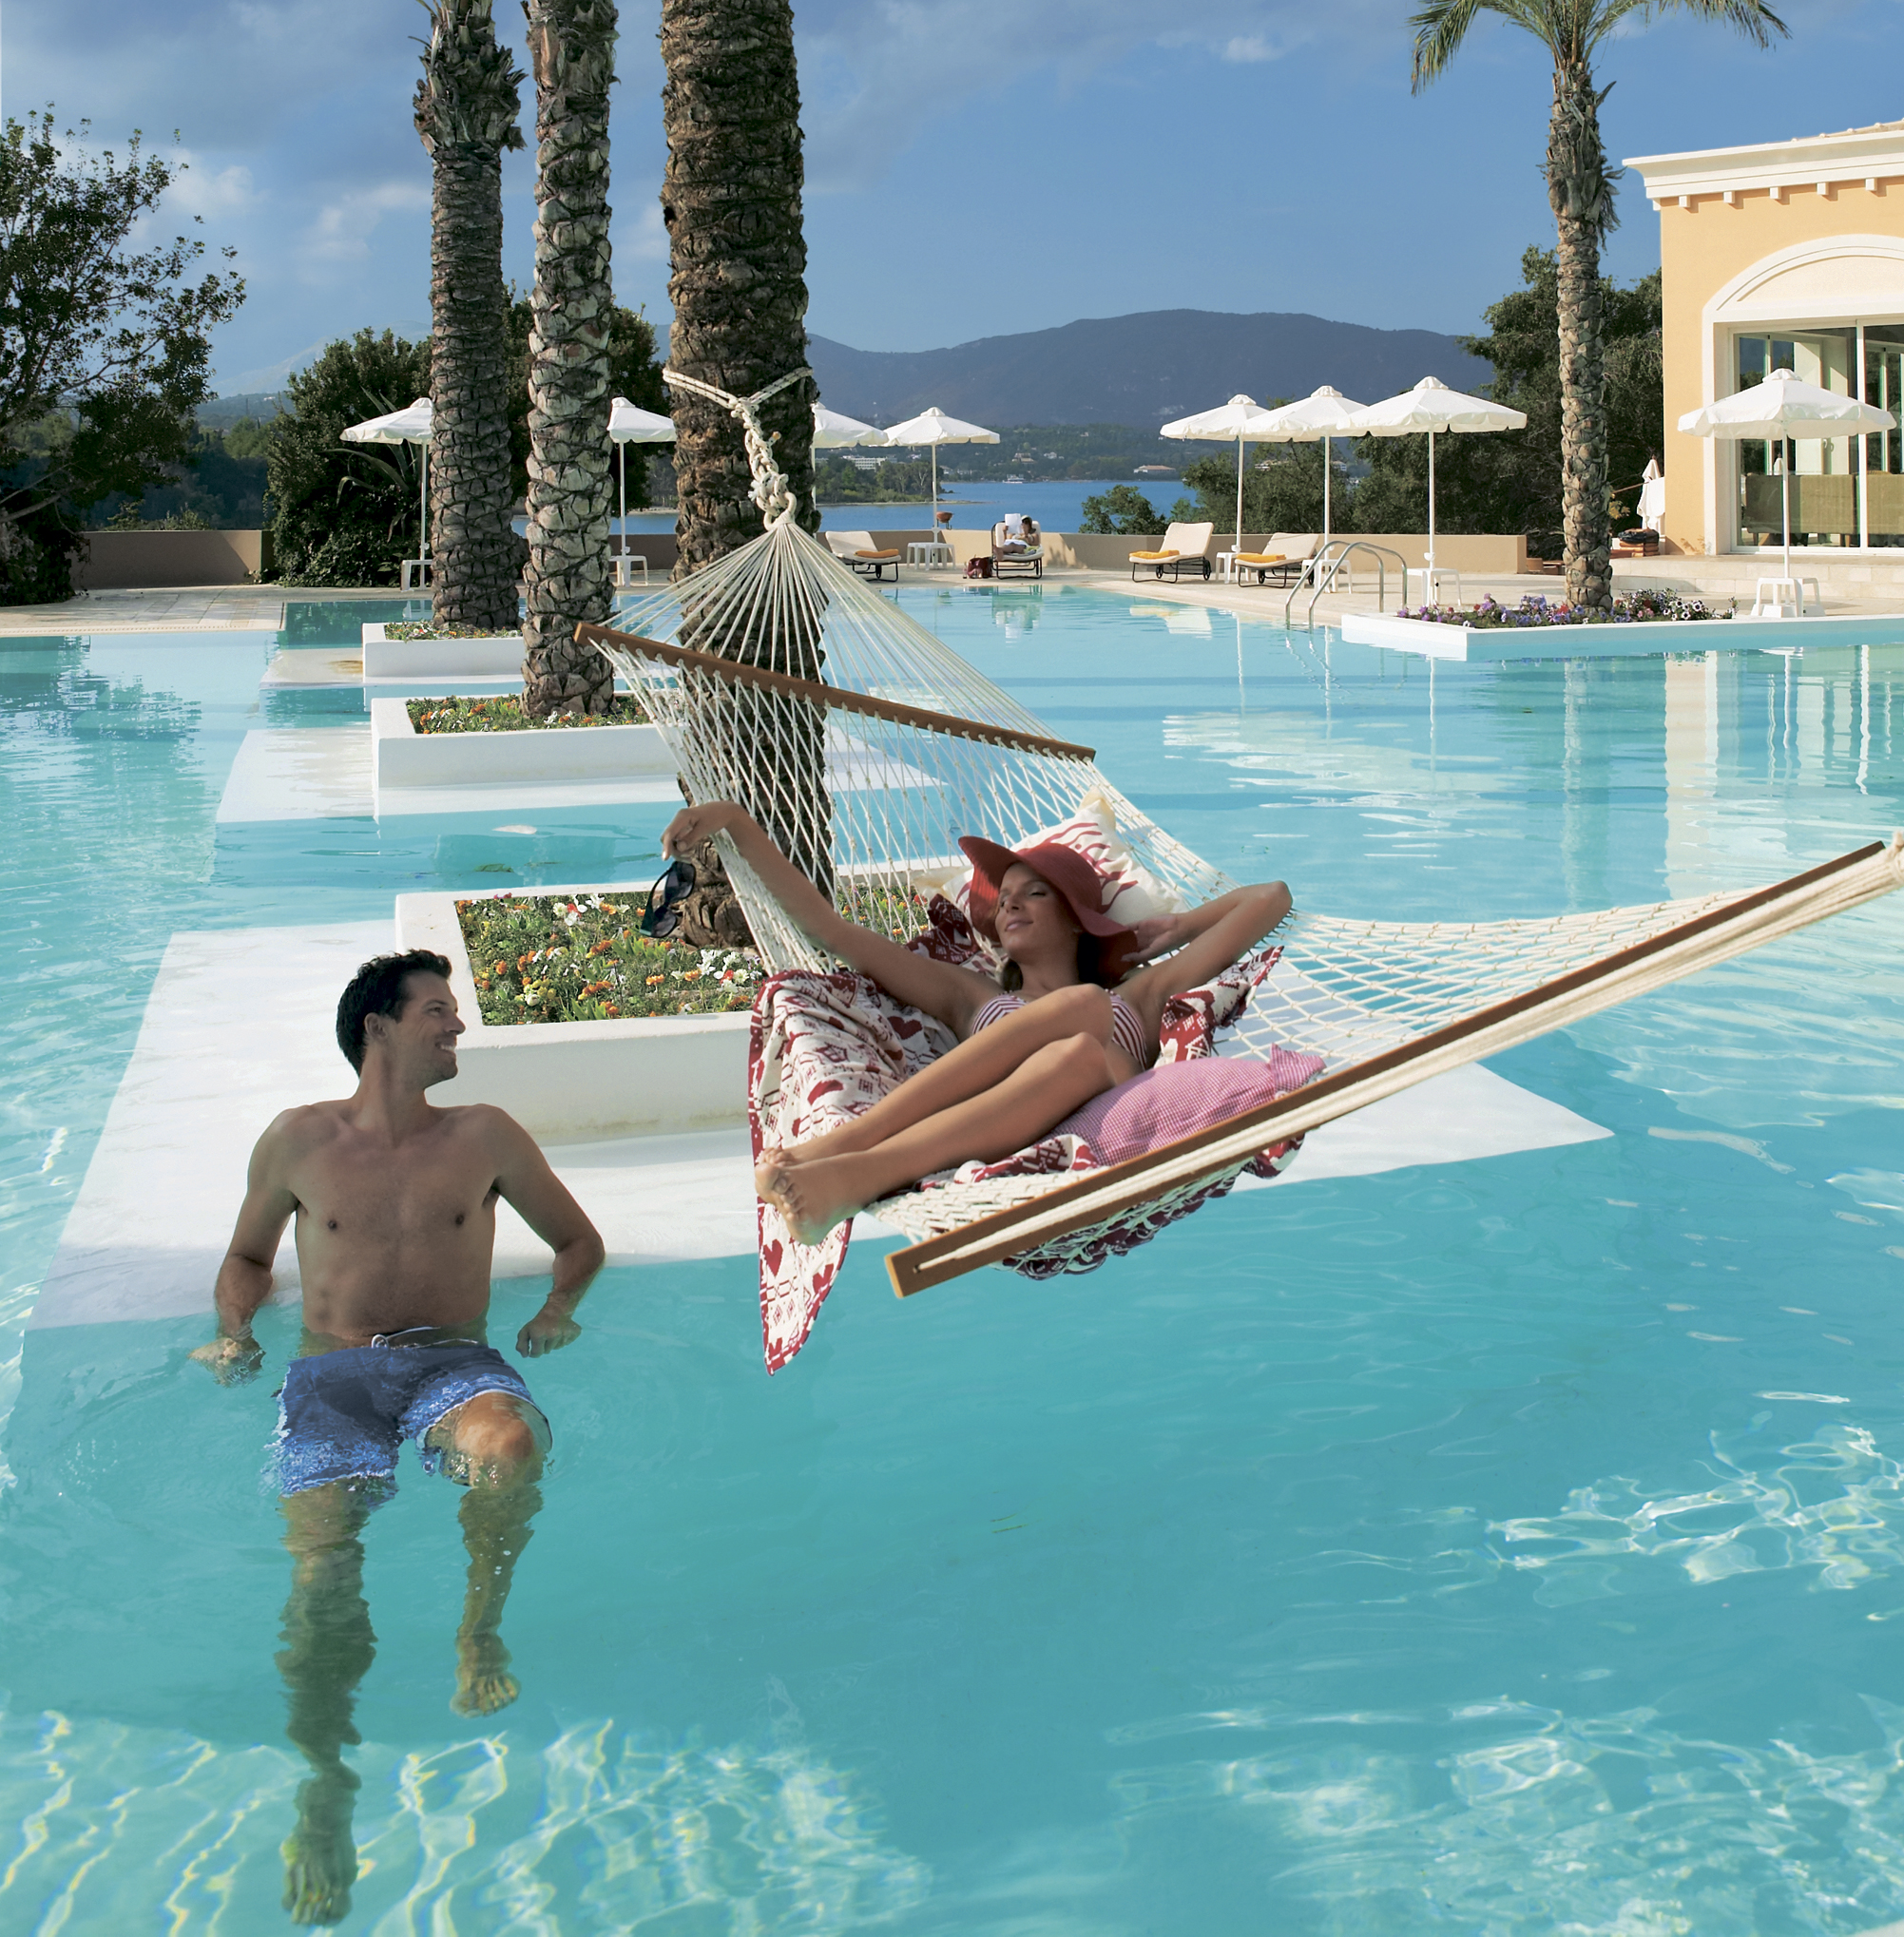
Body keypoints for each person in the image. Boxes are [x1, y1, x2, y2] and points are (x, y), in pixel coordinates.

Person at [189, 948, 606, 1927]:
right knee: (322, 1575)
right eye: (436, 1012)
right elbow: (246, 1254)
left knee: (511, 1450)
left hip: (453, 1364)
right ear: (377, 1027)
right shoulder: (298, 1139)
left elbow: (578, 1240)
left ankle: (477, 1627)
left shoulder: (485, 1134)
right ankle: (324, 1780)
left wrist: (557, 1310)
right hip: (334, 1377)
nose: (457, 1026)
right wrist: (234, 1331)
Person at [664, 799, 1291, 1245]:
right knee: (1075, 1037)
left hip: (1099, 1116)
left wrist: (1178, 928)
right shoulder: (969, 996)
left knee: (1085, 1023)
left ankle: (855, 1161)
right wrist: (735, 822)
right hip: (997, 1125)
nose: (1011, 903)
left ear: (1077, 919)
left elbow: (1271, 898)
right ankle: (847, 1161)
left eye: (1035, 892)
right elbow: (829, 930)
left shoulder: (1137, 995)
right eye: (1004, 897)